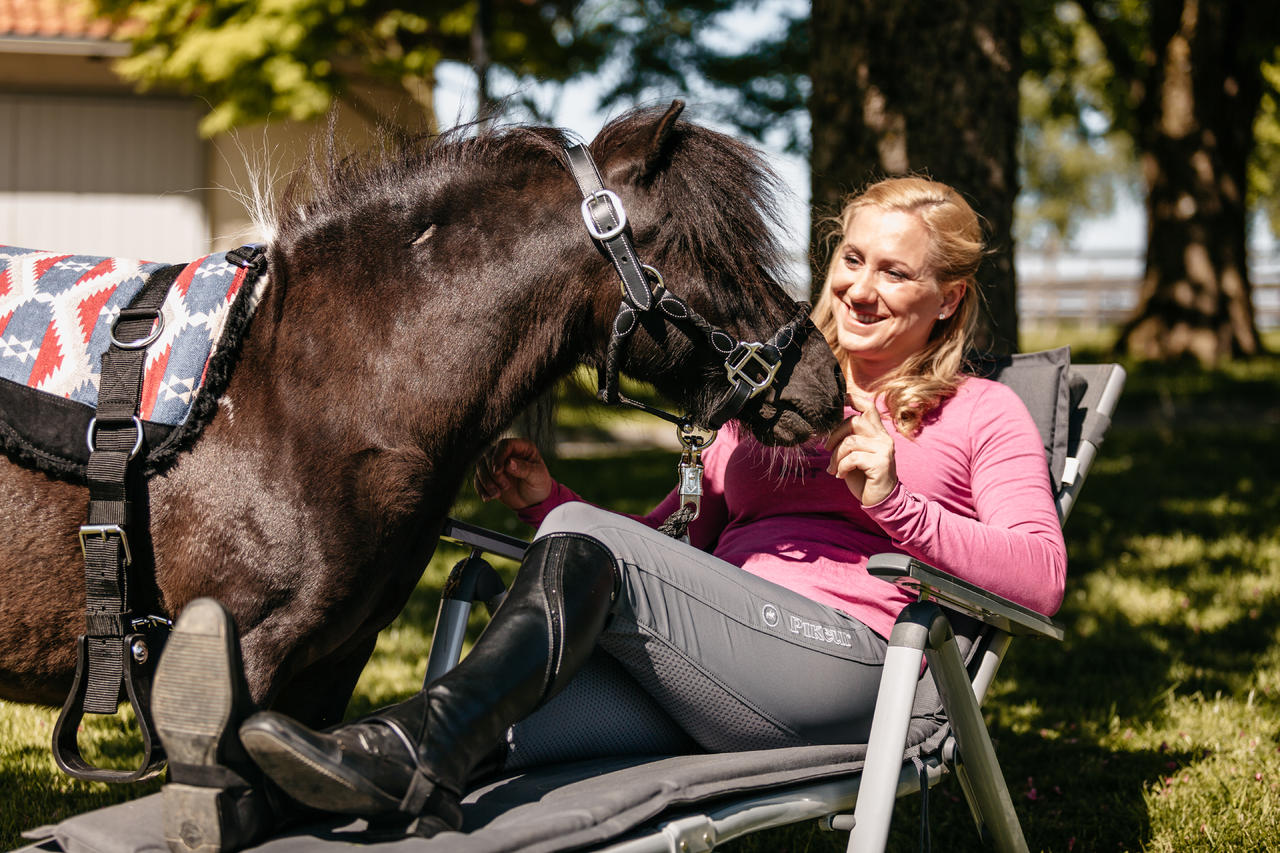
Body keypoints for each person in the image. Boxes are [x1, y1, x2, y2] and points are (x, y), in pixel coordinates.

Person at [156, 176, 1067, 841]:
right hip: (713, 673)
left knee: (499, 678)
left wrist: (899, 505)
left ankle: (405, 754)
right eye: (851, 258)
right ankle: (263, 791)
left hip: (855, 670)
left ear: (948, 302)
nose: (858, 288)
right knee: (499, 727)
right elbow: (668, 543)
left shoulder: (979, 411)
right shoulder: (762, 400)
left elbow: (1041, 577)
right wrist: (549, 501)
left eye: (895, 275)